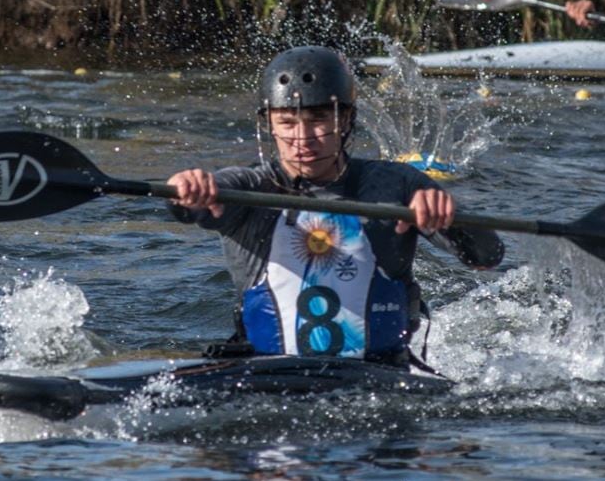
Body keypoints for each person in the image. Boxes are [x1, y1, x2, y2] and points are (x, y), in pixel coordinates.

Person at [167, 45, 504, 367]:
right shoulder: (245, 188)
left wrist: (452, 217)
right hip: (266, 373)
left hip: (381, 374)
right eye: (287, 122)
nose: (302, 137)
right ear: (269, 123)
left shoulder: (398, 184)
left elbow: (488, 257)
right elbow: (186, 210)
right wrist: (186, 190)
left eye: (318, 120)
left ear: (345, 120)